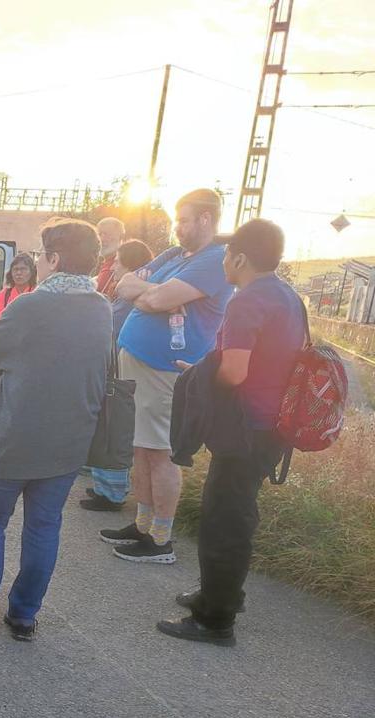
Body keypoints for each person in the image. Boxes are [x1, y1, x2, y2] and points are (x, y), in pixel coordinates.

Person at [0, 218, 112, 642]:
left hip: (15, 434)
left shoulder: (29, 305)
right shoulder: (102, 307)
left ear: (54, 258)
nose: (37, 261)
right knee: (44, 525)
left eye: (40, 254)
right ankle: (24, 615)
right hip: (69, 440)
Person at [158, 219, 304, 645]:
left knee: (225, 520)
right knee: (236, 513)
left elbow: (235, 372)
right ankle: (219, 594)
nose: (223, 261)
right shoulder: (287, 295)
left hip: (246, 429)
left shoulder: (247, 301)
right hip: (270, 426)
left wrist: (202, 379)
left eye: (226, 254)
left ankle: (215, 619)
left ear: (239, 257)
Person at [99, 189, 232, 564]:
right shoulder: (176, 256)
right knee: (141, 447)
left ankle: (160, 538)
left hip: (165, 370)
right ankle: (142, 525)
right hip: (140, 362)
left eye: (184, 219)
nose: (178, 227)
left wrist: (153, 295)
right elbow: (126, 286)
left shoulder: (213, 261)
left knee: (161, 452)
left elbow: (151, 300)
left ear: (206, 219)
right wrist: (158, 293)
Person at [82, 238, 155, 512]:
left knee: (115, 430)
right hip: (117, 368)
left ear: (132, 265)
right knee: (110, 427)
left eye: (118, 262)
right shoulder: (128, 294)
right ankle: (105, 487)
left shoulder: (130, 298)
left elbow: (110, 325)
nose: (113, 267)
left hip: (121, 372)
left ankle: (112, 494)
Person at [0, 253, 37, 395]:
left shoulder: (37, 294)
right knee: (0, 395)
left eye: (23, 269)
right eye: (15, 269)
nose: (19, 273)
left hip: (28, 356)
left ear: (32, 272)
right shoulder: (5, 294)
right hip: (4, 356)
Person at [95, 217, 126, 293]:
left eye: (106, 234)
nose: (102, 239)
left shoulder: (120, 267)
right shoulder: (106, 263)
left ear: (121, 237)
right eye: (99, 234)